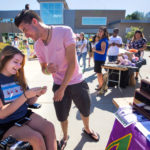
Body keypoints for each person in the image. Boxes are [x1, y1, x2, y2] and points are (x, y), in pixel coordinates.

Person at [14, 9, 99, 150]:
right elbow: (43, 69)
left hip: (77, 82)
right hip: (58, 84)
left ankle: (87, 129)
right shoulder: (38, 45)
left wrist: (62, 89)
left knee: (85, 110)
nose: (25, 35)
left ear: (34, 22)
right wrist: (48, 70)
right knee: (62, 116)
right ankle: (65, 136)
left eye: (25, 29)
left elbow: (72, 63)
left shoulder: (65, 31)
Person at [0, 46, 57, 150]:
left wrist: (37, 94)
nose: (18, 66)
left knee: (49, 127)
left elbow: (29, 102)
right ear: (3, 58)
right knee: (36, 137)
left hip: (24, 115)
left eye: (20, 63)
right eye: (15, 62)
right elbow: (2, 114)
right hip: (6, 123)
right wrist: (25, 95)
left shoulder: (18, 77)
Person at [92, 27, 109, 94]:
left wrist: (94, 50)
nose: (99, 32)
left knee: (99, 74)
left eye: (101, 31)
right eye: (99, 31)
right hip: (98, 59)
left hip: (100, 59)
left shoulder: (103, 40)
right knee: (99, 73)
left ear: (104, 32)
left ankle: (102, 87)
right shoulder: (102, 40)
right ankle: (102, 86)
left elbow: (103, 52)